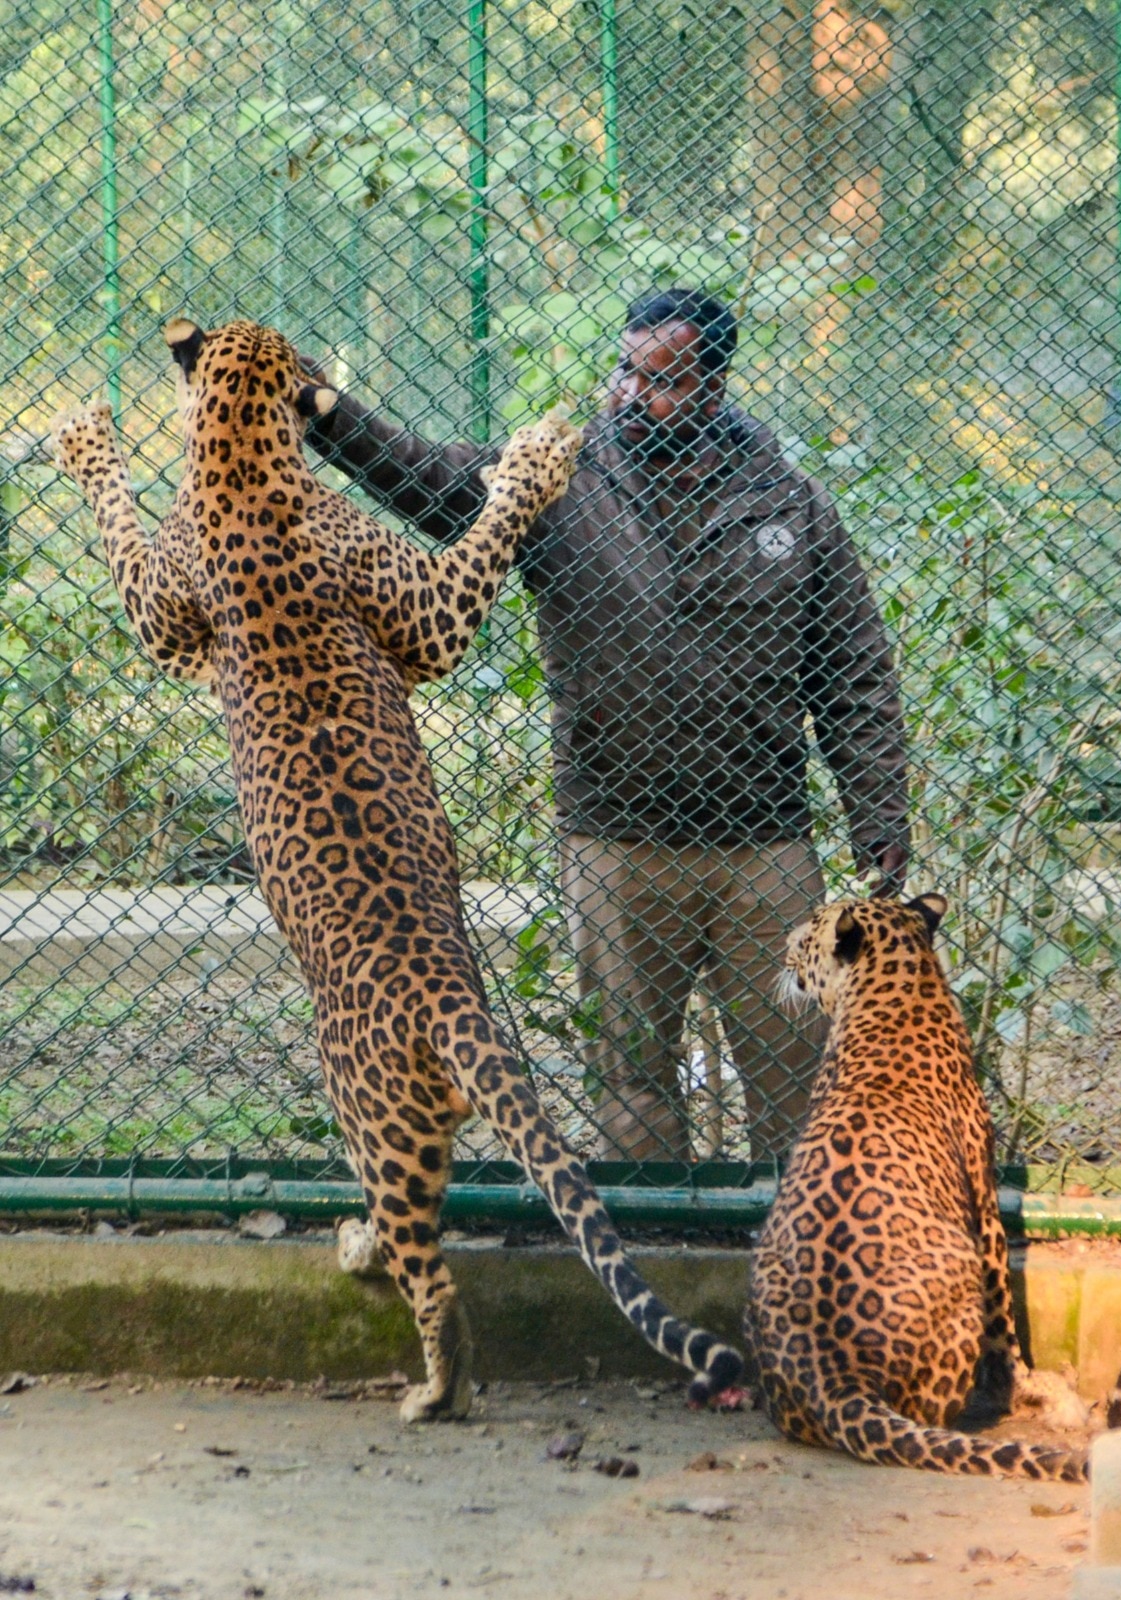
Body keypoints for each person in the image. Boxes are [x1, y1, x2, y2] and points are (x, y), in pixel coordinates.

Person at [303, 287, 910, 1163]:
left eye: (655, 379)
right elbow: (427, 482)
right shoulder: (559, 479)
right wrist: (326, 414)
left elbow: (854, 677)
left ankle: (797, 1260)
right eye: (621, 369)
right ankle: (661, 1263)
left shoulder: (791, 502)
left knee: (798, 1074)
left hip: (765, 849)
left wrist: (881, 823)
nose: (627, 392)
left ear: (710, 388)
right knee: (631, 1082)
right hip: (616, 844)